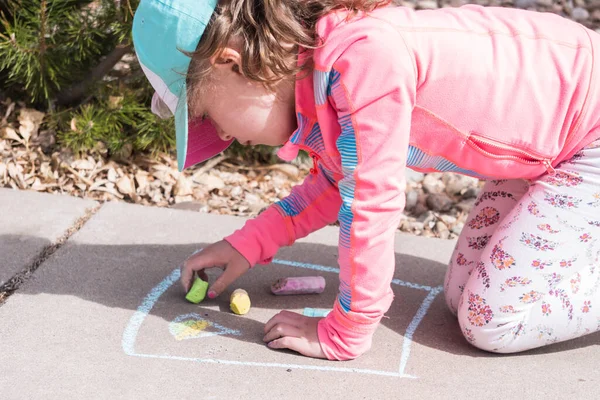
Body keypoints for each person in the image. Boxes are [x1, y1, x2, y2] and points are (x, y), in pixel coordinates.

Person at [132, 0, 600, 360]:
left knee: (491, 321)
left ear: (231, 63)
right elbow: (334, 185)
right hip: (546, 151)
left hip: (589, 136)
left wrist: (347, 329)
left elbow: (370, 203)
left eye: (211, 116)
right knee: (460, 298)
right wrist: (247, 245)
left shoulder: (363, 62)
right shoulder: (319, 79)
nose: (226, 135)